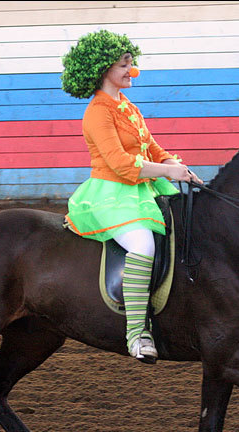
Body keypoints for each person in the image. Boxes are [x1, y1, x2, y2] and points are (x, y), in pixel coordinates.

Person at [61, 29, 203, 363]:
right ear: (103, 69)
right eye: (124, 64)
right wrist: (166, 172)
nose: (130, 70)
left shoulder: (127, 106)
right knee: (142, 244)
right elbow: (122, 165)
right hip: (112, 192)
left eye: (130, 63)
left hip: (142, 189)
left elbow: (151, 147)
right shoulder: (98, 111)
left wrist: (175, 164)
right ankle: (137, 334)